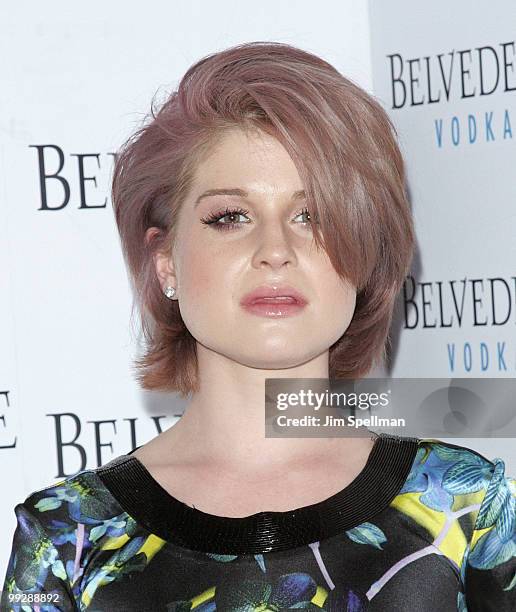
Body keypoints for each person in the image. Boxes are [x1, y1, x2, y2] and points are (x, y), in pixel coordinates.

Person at [2, 41, 515, 611]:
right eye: (230, 217)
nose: (276, 250)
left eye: (312, 216)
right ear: (165, 259)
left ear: (364, 254)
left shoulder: (464, 509)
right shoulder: (67, 539)